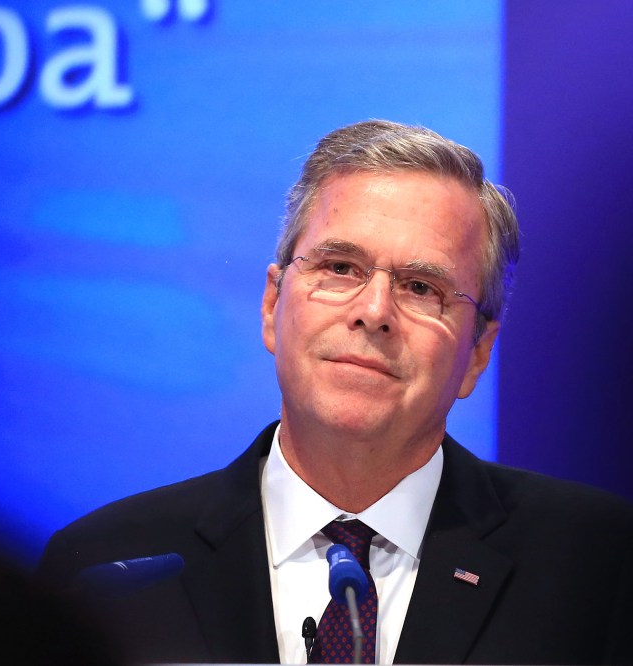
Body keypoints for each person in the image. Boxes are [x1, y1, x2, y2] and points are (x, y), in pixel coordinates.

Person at [36, 119, 633, 664]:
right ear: (273, 306)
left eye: (422, 287)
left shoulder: (599, 565)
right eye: (340, 267)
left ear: (477, 351)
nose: (373, 312)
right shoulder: (104, 570)